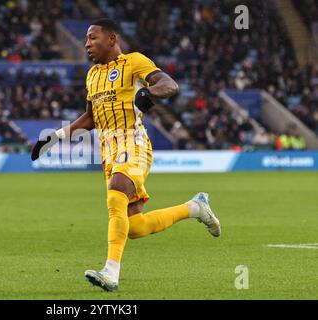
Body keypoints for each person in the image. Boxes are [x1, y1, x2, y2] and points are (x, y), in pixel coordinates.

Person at [31, 19, 221, 292]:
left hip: (133, 143)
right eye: (86, 39)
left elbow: (169, 84)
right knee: (134, 227)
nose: (87, 44)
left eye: (92, 38)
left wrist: (149, 92)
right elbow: (90, 118)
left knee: (116, 191)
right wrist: (54, 137)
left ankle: (111, 272)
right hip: (108, 151)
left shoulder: (134, 62)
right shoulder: (92, 75)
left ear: (111, 39)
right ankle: (194, 208)